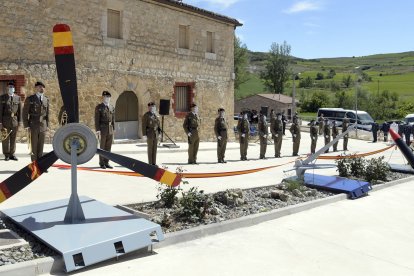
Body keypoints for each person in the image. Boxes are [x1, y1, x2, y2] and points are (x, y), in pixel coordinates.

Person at [22, 81, 49, 162]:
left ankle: (40, 164)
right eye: (40, 87)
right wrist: (26, 125)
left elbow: (47, 114)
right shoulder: (30, 99)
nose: (42, 88)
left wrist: (47, 125)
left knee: (41, 146)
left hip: (43, 125)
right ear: (36, 88)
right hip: (33, 125)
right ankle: (34, 166)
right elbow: (25, 113)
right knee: (34, 146)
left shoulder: (46, 99)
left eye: (43, 87)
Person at [0, 81, 22, 161]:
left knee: (13, 138)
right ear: (7, 88)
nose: (11, 88)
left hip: (14, 121)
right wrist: (0, 122)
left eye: (12, 87)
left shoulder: (18, 98)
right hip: (5, 121)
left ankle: (12, 154)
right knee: (5, 138)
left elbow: (20, 111)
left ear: (14, 88)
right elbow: (0, 111)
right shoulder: (2, 97)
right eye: (9, 87)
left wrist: (20, 122)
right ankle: (6, 154)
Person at [95, 91, 115, 169]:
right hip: (102, 129)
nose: (108, 99)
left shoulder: (112, 107)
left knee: (108, 147)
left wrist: (114, 129)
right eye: (106, 97)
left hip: (110, 129)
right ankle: (101, 163)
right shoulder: (99, 107)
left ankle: (107, 162)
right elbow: (97, 120)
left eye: (109, 97)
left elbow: (113, 119)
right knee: (102, 146)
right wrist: (98, 130)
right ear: (103, 97)